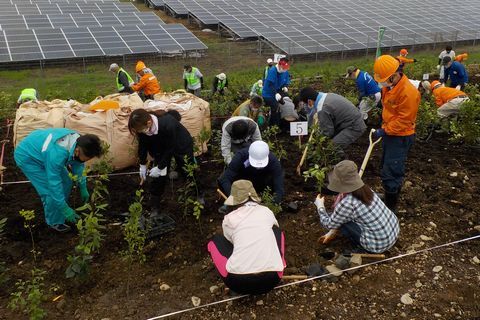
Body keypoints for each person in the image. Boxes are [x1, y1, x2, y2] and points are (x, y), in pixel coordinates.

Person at [14, 129, 102, 232]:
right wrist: (64, 208)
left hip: (42, 151)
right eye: (86, 158)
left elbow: (78, 165)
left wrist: (83, 186)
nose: (87, 161)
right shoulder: (58, 153)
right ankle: (55, 222)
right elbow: (54, 183)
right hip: (28, 158)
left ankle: (59, 209)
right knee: (49, 190)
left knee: (67, 182)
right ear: (77, 151)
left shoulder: (79, 142)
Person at [207, 180, 286, 294]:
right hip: (273, 279)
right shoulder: (266, 212)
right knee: (277, 231)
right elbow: (274, 231)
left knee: (214, 241)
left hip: (238, 282)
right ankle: (280, 263)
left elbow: (231, 243)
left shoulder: (229, 218)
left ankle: (235, 270)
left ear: (235, 200)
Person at [314, 160, 399, 253]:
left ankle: (362, 249)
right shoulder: (366, 190)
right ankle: (336, 231)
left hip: (378, 245)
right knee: (343, 217)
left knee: (338, 219)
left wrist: (320, 206)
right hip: (393, 232)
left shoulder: (347, 203)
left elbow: (328, 224)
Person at [372, 55, 420, 212]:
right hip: (390, 132)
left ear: (394, 75)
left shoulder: (408, 93)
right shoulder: (389, 86)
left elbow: (404, 121)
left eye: (384, 79)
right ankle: (389, 195)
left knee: (392, 169)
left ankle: (390, 207)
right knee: (385, 166)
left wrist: (384, 130)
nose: (382, 82)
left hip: (401, 136)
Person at [128, 108, 195, 215]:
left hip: (180, 143)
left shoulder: (168, 124)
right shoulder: (143, 128)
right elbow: (143, 145)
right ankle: (155, 205)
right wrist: (142, 164)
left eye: (141, 130)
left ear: (149, 122)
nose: (140, 132)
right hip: (161, 146)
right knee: (159, 178)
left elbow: (170, 148)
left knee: (187, 168)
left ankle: (197, 192)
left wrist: (160, 167)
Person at [218, 141, 284, 211]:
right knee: (224, 181)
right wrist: (235, 199)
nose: (258, 167)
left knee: (274, 179)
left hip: (261, 183)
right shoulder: (241, 156)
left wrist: (272, 204)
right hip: (242, 183)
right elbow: (225, 179)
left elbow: (279, 186)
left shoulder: (273, 161)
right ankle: (229, 204)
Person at [298, 87, 367, 155]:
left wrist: (317, 142)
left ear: (309, 101)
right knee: (332, 137)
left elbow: (327, 132)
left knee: (331, 147)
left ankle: (341, 162)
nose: (306, 106)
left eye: (306, 104)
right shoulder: (326, 95)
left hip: (354, 127)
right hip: (351, 120)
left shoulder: (322, 109)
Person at [262, 57, 291, 127]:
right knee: (275, 107)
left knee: (284, 103)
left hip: (279, 90)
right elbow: (270, 84)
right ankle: (274, 126)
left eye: (285, 68)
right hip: (268, 93)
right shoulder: (272, 71)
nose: (285, 70)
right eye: (283, 68)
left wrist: (285, 87)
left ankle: (282, 122)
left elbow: (286, 80)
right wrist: (275, 94)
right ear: (280, 65)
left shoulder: (285, 71)